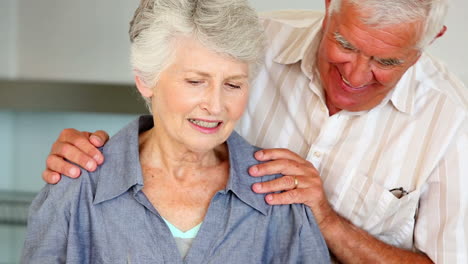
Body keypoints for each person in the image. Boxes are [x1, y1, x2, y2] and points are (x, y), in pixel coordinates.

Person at [42, 0, 468, 263]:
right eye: (346, 44)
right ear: (328, 6)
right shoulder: (247, 42)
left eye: (386, 62)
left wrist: (327, 220)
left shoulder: (450, 120)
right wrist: (93, 153)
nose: (356, 75)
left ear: (432, 40)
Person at [21, 0, 331, 263]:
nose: (215, 105)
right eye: (196, 81)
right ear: (146, 79)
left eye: (233, 84)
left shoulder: (279, 195)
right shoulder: (78, 187)